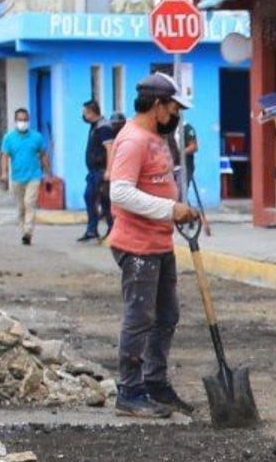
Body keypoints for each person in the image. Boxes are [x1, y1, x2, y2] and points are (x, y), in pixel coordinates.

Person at [106, 73, 201, 419]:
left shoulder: (157, 138)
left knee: (166, 315)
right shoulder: (132, 140)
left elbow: (162, 183)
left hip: (159, 240)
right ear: (157, 105)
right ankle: (129, 391)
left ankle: (155, 382)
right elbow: (120, 191)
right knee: (139, 317)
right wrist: (168, 208)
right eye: (173, 107)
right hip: (137, 245)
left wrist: (181, 211)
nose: (176, 114)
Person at [0, 108, 49, 246]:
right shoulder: (8, 138)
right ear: (15, 121)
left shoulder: (37, 137)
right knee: (21, 207)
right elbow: (5, 156)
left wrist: (48, 173)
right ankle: (24, 233)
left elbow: (43, 155)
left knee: (29, 203)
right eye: (20, 120)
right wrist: (3, 173)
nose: (23, 122)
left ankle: (28, 231)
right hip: (17, 177)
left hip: (34, 176)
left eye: (25, 119)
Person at [79, 100, 116, 242]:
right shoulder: (95, 126)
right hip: (94, 171)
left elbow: (110, 148)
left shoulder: (103, 127)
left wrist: (109, 170)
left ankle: (108, 229)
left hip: (101, 171)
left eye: (85, 113)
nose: (83, 116)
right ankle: (92, 229)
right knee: (94, 198)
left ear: (90, 112)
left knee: (102, 200)